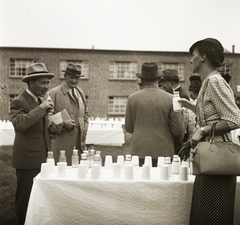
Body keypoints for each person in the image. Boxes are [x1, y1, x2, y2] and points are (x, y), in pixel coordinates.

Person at [181, 38, 240, 224]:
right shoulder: (208, 82)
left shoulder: (215, 81)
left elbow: (235, 119)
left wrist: (204, 130)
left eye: (193, 55)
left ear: (203, 56)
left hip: (217, 158)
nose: (190, 60)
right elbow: (211, 114)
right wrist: (189, 106)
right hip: (210, 157)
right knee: (207, 212)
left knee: (212, 214)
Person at [10, 63, 56, 225]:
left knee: (38, 197)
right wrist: (42, 107)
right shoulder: (19, 101)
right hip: (27, 160)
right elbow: (20, 125)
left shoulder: (38, 100)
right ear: (30, 83)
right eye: (42, 83)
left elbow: (39, 130)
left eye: (47, 83)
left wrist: (54, 126)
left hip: (42, 157)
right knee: (25, 198)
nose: (46, 87)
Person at [125, 62, 183, 167]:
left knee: (140, 182)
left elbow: (128, 128)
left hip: (139, 151)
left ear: (142, 80)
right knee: (164, 182)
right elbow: (178, 130)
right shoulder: (171, 99)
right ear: (159, 79)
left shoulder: (132, 98)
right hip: (164, 152)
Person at [49, 62, 89, 166]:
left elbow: (85, 115)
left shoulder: (80, 93)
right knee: (61, 169)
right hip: (62, 141)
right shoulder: (54, 93)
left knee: (77, 171)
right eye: (71, 77)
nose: (74, 80)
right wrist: (62, 122)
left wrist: (84, 131)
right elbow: (46, 116)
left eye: (77, 78)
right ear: (65, 76)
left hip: (78, 142)